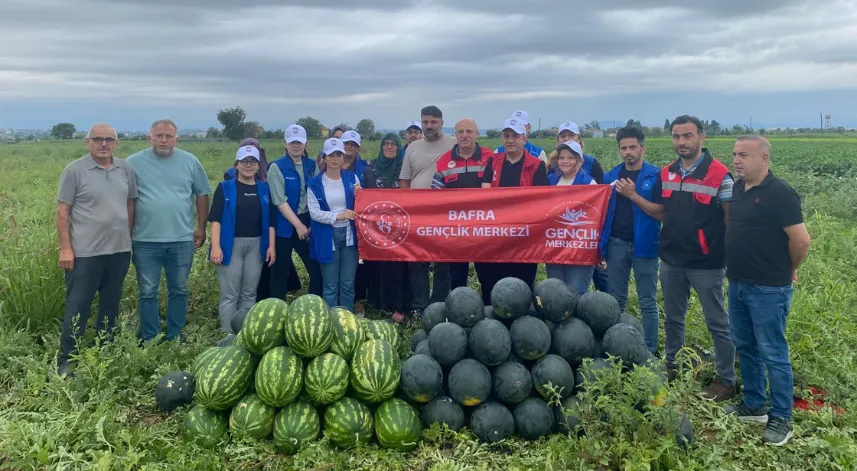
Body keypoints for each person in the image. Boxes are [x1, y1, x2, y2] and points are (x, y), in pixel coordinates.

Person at [722, 136, 810, 446]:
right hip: (738, 282)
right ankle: (754, 404)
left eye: (743, 155)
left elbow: (801, 240)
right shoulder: (738, 188)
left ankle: (781, 418)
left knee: (773, 351)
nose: (736, 160)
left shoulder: (780, 193)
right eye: (734, 154)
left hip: (768, 288)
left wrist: (790, 268)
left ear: (764, 158)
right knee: (745, 344)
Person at [658, 115, 736, 401]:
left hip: (707, 264)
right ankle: (672, 366)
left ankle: (727, 380)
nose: (682, 142)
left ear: (702, 137)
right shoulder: (666, 173)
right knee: (673, 319)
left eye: (688, 136)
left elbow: (731, 221)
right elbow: (663, 212)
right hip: (671, 261)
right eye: (677, 136)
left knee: (717, 322)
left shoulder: (719, 175)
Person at [55, 123, 137, 376]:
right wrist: (66, 249)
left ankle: (103, 348)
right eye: (98, 139)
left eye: (109, 140)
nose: (104, 144)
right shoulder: (75, 170)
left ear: (116, 142)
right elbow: (62, 211)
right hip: (85, 253)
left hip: (118, 251)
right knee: (78, 305)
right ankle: (68, 358)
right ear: (87, 142)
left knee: (110, 303)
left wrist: (127, 237)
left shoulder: (125, 168)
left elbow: (130, 204)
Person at [128, 119, 210, 343]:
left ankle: (175, 334)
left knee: (180, 289)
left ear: (177, 139)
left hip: (181, 240)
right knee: (147, 292)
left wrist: (201, 228)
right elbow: (124, 198)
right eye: (159, 136)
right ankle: (150, 337)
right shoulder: (132, 163)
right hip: (145, 240)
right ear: (150, 138)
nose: (163, 140)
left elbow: (202, 194)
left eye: (168, 136)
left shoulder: (190, 162)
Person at [600, 126, 662, 354]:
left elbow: (661, 212)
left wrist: (633, 195)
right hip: (617, 245)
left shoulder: (655, 177)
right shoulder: (611, 176)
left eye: (633, 147)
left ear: (642, 148)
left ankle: (649, 351)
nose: (628, 152)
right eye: (624, 148)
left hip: (646, 246)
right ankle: (617, 349)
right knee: (616, 300)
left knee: (647, 301)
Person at [479, 118, 549, 305]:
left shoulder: (536, 165)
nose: (510, 140)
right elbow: (485, 195)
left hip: (523, 237)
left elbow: (541, 202)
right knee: (490, 280)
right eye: (506, 135)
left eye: (515, 136)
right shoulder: (492, 162)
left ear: (524, 138)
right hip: (495, 233)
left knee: (521, 283)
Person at [208, 145, 276, 334]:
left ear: (258, 165)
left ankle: (245, 333)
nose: (248, 165)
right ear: (236, 165)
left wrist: (271, 246)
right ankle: (229, 334)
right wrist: (215, 247)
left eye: (252, 161)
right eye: (244, 161)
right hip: (230, 245)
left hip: (256, 245)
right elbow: (216, 219)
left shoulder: (264, 189)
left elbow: (270, 221)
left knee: (249, 293)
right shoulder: (225, 188)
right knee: (230, 294)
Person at [399, 105, 457, 316]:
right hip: (418, 215)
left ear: (441, 122)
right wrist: (408, 208)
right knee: (418, 262)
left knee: (443, 264)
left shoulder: (454, 143)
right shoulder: (413, 148)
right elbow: (404, 180)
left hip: (444, 215)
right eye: (425, 122)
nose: (429, 126)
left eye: (433, 122)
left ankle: (439, 305)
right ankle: (420, 306)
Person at [223, 138, 299, 299]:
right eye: (245, 152)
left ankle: (266, 299)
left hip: (266, 227)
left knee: (266, 265)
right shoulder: (230, 175)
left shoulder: (268, 169)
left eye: (253, 151)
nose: (249, 162)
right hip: (242, 230)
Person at [432, 118, 493, 291]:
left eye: (469, 131)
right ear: (455, 135)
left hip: (484, 230)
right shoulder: (444, 161)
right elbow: (435, 198)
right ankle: (459, 315)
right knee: (457, 280)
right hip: (456, 232)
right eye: (460, 132)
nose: (465, 135)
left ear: (477, 134)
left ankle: (490, 313)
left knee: (488, 278)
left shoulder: (492, 159)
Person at [268, 124, 323, 300]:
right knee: (280, 272)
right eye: (292, 142)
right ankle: (279, 310)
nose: (296, 146)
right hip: (284, 224)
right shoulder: (276, 167)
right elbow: (279, 200)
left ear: (305, 143)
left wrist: (312, 224)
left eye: (299, 142)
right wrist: (298, 225)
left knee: (316, 269)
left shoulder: (311, 166)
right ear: (285, 143)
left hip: (307, 222)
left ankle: (313, 306)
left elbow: (316, 195)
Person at [364, 133, 413, 320]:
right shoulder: (371, 168)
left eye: (394, 144)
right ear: (381, 147)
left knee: (399, 265)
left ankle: (400, 304)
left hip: (400, 224)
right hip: (377, 223)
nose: (390, 147)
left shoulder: (404, 168)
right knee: (378, 262)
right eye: (387, 144)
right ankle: (378, 302)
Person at [309, 138, 361, 310]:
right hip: (327, 236)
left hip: (349, 235)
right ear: (324, 157)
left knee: (347, 283)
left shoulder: (351, 178)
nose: (335, 158)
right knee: (330, 286)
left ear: (343, 156)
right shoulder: (315, 183)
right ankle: (330, 322)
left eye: (338, 154)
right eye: (331, 155)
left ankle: (347, 320)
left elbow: (361, 203)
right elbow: (315, 213)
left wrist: (359, 197)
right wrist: (338, 216)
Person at [545, 140, 598, 296]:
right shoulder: (550, 182)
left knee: (575, 295)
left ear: (580, 160)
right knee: (555, 295)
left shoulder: (590, 184)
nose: (565, 161)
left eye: (570, 157)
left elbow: (596, 217)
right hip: (554, 247)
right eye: (562, 158)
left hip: (579, 250)